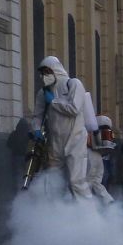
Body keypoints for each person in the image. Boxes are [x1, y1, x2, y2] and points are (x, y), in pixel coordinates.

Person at [30, 57, 97, 200]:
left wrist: (53, 102)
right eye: (42, 73)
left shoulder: (73, 84)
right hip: (55, 142)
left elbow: (74, 108)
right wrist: (35, 129)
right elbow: (37, 116)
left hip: (76, 139)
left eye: (47, 71)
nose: (44, 76)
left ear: (56, 70)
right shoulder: (43, 93)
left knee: (76, 181)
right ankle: (57, 215)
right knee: (53, 181)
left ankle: (89, 217)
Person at [85, 115, 117, 204]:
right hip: (99, 155)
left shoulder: (89, 127)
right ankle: (108, 201)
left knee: (88, 181)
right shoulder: (107, 127)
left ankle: (86, 204)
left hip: (90, 153)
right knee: (96, 182)